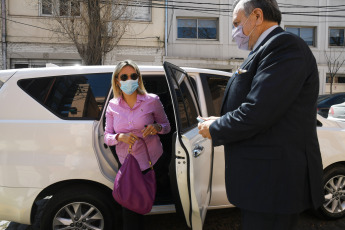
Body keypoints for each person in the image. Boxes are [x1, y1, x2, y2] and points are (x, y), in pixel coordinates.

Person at [198, 0, 324, 229]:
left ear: (256, 16)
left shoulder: (284, 46)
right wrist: (220, 120)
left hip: (274, 185)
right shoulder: (268, 49)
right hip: (265, 183)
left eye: (237, 23)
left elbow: (258, 111)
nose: (235, 31)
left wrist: (216, 127)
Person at [104, 60, 171, 230]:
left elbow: (167, 126)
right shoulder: (112, 106)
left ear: (139, 78)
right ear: (117, 80)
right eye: (124, 76)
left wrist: (156, 128)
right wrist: (120, 137)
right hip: (127, 163)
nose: (129, 80)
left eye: (133, 76)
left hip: (151, 161)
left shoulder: (152, 100)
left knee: (143, 204)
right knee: (129, 208)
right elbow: (107, 137)